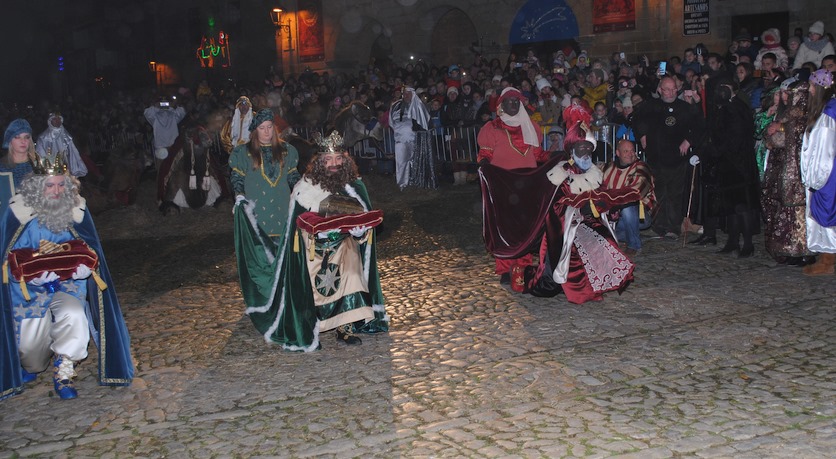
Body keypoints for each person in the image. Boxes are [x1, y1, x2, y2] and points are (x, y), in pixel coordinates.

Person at [236, 131, 388, 350]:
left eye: (338, 159)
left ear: (344, 160)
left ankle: (344, 327)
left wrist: (359, 231)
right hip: (312, 248)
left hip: (345, 244)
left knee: (351, 264)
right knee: (314, 272)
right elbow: (296, 228)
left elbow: (365, 229)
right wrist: (321, 232)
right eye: (328, 160)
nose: (334, 164)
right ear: (320, 162)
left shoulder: (354, 187)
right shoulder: (305, 188)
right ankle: (312, 321)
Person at [0, 156, 133, 400]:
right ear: (37, 187)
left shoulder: (76, 209)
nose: (56, 191)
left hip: (67, 285)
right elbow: (5, 259)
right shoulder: (17, 211)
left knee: (74, 315)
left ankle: (63, 373)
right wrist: (30, 277)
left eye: (62, 185)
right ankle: (32, 364)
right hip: (28, 292)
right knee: (31, 355)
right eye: (50, 185)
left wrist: (87, 270)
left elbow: (90, 248)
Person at [477, 87, 549, 284]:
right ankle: (505, 268)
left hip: (527, 185)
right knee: (504, 228)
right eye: (509, 100)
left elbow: (538, 155)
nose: (514, 104)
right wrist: (483, 164)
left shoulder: (531, 127)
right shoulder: (492, 128)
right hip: (503, 185)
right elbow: (485, 154)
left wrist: (555, 157)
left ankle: (523, 266)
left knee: (524, 228)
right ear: (501, 105)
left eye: (517, 101)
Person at [692, 77, 759, 257]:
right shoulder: (727, 109)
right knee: (731, 206)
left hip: (738, 165)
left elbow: (732, 139)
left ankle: (747, 244)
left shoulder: (735, 109)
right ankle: (733, 242)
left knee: (741, 206)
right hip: (730, 164)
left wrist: (711, 151)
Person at [634, 76, 704, 239]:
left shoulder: (684, 107)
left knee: (674, 194)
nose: (671, 92)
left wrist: (688, 140)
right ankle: (658, 226)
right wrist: (642, 135)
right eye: (667, 89)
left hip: (677, 159)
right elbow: (637, 120)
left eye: (673, 89)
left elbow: (699, 124)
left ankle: (673, 226)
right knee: (658, 193)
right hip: (656, 157)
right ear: (660, 90)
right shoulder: (650, 106)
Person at [230, 108, 299, 244]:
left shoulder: (287, 150)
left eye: (269, 127)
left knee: (282, 250)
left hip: (282, 206)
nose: (267, 131)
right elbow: (237, 178)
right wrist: (239, 195)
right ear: (255, 130)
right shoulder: (243, 152)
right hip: (256, 207)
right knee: (261, 250)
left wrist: (302, 189)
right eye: (262, 128)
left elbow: (293, 176)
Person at [798, 69, 836, 275]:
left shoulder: (828, 115)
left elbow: (824, 151)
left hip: (826, 174)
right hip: (827, 173)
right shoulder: (826, 111)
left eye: (812, 85)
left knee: (826, 216)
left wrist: (815, 179)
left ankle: (828, 260)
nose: (810, 89)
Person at [603, 139, 656, 256]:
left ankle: (634, 245)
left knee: (628, 207)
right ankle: (631, 234)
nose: (630, 154)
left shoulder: (641, 167)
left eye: (632, 151)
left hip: (639, 215)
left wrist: (615, 205)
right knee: (604, 233)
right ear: (618, 153)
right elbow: (602, 190)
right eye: (626, 151)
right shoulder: (609, 168)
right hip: (616, 217)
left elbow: (635, 192)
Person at [389, 86, 430, 190]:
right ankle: (402, 184)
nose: (406, 96)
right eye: (404, 94)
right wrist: (399, 131)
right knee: (401, 162)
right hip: (400, 139)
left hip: (414, 139)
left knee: (414, 160)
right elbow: (391, 122)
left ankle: (414, 181)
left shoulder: (418, 105)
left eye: (408, 93)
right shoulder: (395, 105)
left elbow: (424, 120)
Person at [0, 119, 36, 217]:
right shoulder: (2, 168)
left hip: (34, 222)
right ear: (10, 141)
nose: (23, 141)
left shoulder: (39, 166)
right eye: (17, 137)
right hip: (7, 221)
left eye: (26, 137)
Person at [35, 112, 88, 178]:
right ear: (50, 121)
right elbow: (40, 155)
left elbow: (73, 154)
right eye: (55, 119)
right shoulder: (43, 138)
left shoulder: (67, 137)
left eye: (59, 119)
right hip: (50, 172)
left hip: (66, 170)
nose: (57, 121)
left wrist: (74, 170)